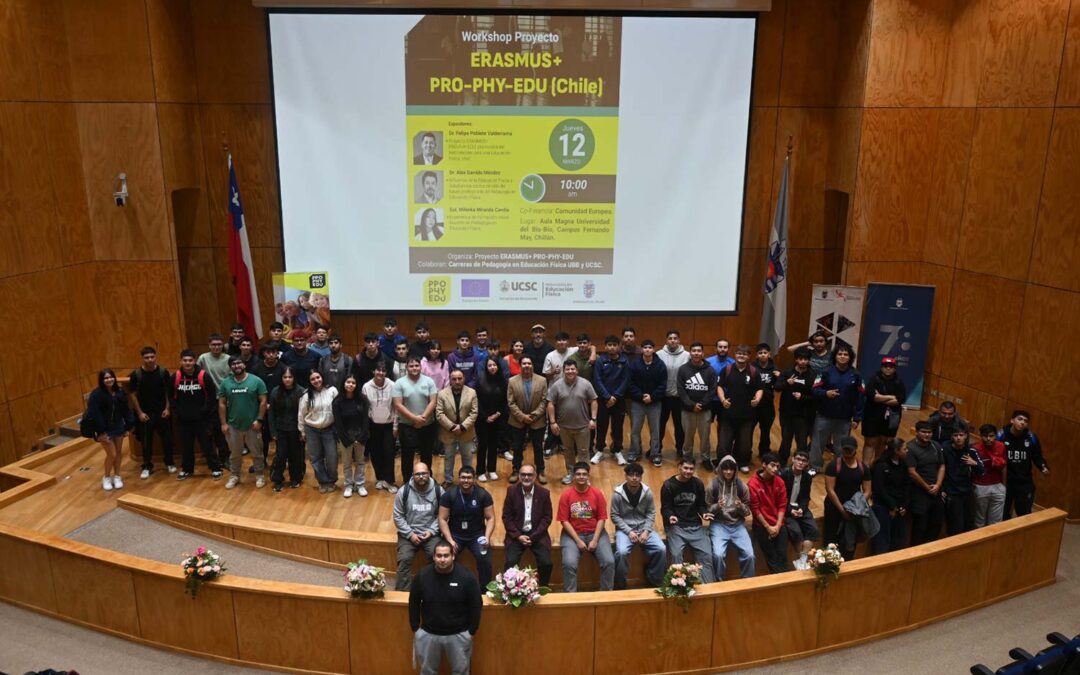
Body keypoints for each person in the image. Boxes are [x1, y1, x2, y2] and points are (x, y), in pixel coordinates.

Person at [408, 541, 482, 675]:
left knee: (461, 672)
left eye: (446, 555)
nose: (442, 559)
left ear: (453, 556)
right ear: (434, 557)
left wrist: (471, 630)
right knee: (428, 672)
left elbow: (476, 604)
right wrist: (415, 628)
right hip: (428, 634)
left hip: (458, 635)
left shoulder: (466, 577)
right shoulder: (422, 576)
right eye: (439, 556)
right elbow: (413, 601)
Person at [558, 462, 615, 592]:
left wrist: (595, 540)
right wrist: (578, 540)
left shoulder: (597, 493)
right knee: (569, 564)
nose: (581, 477)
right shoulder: (566, 495)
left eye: (584, 474)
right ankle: (570, 597)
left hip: (595, 532)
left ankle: (606, 595)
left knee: (609, 562)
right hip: (572, 535)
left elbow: (602, 518)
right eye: (578, 474)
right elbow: (564, 521)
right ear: (573, 476)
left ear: (588, 476)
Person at [810, 345, 865, 473]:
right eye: (840, 354)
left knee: (841, 446)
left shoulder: (856, 375)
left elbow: (860, 397)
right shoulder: (825, 372)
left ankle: (838, 469)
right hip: (824, 415)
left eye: (846, 355)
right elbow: (814, 389)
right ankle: (814, 467)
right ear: (835, 356)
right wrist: (826, 393)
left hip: (845, 418)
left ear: (850, 357)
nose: (842, 357)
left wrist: (857, 418)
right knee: (818, 443)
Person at [611, 462, 666, 588]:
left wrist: (646, 531)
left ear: (641, 477)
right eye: (631, 475)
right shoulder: (617, 494)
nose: (634, 478)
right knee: (622, 552)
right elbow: (614, 515)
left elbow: (651, 513)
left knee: (661, 549)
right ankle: (620, 584)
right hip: (625, 530)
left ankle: (654, 577)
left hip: (644, 528)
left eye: (637, 475)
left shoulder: (647, 493)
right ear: (626, 476)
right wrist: (629, 531)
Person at [661, 458, 717, 582]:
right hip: (676, 527)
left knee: (706, 555)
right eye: (686, 468)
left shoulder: (698, 484)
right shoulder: (668, 485)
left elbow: (701, 505)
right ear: (679, 467)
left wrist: (704, 514)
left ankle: (708, 587)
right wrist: (670, 516)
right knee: (676, 556)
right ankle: (679, 588)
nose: (688, 471)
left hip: (695, 526)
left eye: (691, 469)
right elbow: (665, 507)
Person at [438, 466, 495, 587]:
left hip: (477, 535)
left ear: (474, 479)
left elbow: (490, 518)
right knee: (445, 557)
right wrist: (450, 541)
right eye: (463, 477)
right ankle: (445, 586)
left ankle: (485, 590)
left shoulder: (483, 494)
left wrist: (487, 537)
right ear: (459, 479)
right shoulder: (449, 495)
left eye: (469, 478)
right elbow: (442, 519)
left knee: (484, 559)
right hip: (455, 535)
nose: (466, 480)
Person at [171, 350, 222, 481]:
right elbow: (171, 397)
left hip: (202, 420)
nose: (187, 363)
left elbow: (211, 397)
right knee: (186, 446)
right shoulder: (175, 377)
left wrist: (204, 412)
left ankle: (215, 468)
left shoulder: (203, 376)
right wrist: (178, 412)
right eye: (185, 360)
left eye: (190, 360)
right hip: (184, 420)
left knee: (207, 445)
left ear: (194, 361)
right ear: (180, 361)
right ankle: (187, 469)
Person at [218, 356, 268, 489]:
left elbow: (263, 401)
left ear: (244, 365)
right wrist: (223, 423)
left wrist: (259, 420)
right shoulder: (225, 383)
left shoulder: (256, 381)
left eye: (239, 363)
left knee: (257, 453)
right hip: (233, 425)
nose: (236, 365)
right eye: (233, 364)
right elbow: (222, 404)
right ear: (230, 367)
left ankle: (259, 475)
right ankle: (235, 475)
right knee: (235, 454)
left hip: (253, 425)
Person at [501, 463, 553, 587]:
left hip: (537, 535)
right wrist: (518, 536)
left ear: (535, 476)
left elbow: (547, 518)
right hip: (517, 534)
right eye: (523, 474)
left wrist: (534, 536)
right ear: (519, 476)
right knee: (510, 562)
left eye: (529, 475)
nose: (526, 477)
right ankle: (510, 590)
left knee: (546, 563)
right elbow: (506, 517)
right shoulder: (512, 491)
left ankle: (543, 588)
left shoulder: (544, 493)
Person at [393, 462, 443, 590]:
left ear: (429, 474)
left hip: (431, 534)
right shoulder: (403, 491)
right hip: (408, 535)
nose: (421, 476)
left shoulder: (438, 491)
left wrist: (431, 531)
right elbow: (398, 516)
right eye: (418, 474)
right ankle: (403, 594)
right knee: (404, 559)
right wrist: (410, 535)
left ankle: (436, 589)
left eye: (424, 473)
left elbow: (443, 515)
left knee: (438, 558)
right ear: (412, 476)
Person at [547, 360, 597, 485]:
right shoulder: (557, 385)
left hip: (583, 426)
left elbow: (594, 401)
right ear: (564, 371)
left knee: (583, 452)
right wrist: (553, 422)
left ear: (577, 370)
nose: (570, 371)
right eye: (567, 369)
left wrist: (594, 419)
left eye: (572, 369)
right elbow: (550, 403)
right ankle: (571, 473)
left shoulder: (586, 384)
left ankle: (584, 475)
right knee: (568, 451)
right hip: (564, 427)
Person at [128, 346, 175, 478]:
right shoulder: (136, 375)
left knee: (167, 439)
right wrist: (139, 413)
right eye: (146, 357)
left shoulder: (163, 372)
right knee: (146, 442)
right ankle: (147, 466)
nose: (149, 360)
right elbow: (132, 394)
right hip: (145, 414)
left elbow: (168, 392)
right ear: (142, 358)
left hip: (161, 412)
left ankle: (169, 463)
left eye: (152, 357)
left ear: (156, 357)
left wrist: (167, 408)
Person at [823, 436, 871, 561]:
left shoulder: (863, 468)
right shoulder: (833, 466)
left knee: (850, 539)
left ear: (856, 449)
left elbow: (867, 491)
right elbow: (830, 490)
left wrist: (855, 506)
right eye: (845, 450)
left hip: (854, 510)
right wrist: (842, 510)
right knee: (831, 538)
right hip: (834, 508)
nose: (847, 453)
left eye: (850, 450)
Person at [706, 455, 755, 579]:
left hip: (738, 525)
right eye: (725, 469)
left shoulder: (741, 486)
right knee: (718, 555)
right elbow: (706, 511)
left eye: (731, 469)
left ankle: (747, 581)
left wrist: (740, 507)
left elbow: (748, 511)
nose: (728, 472)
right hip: (718, 524)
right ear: (721, 469)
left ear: (735, 470)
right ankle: (719, 581)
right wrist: (717, 506)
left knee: (750, 555)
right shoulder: (713, 486)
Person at [716, 345, 763, 473]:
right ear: (735, 355)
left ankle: (742, 462)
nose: (741, 356)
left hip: (747, 414)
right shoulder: (727, 369)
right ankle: (722, 464)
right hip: (728, 413)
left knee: (745, 442)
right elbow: (719, 386)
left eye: (745, 354)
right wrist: (723, 400)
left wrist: (757, 399)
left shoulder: (754, 372)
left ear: (749, 357)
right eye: (739, 354)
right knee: (724, 441)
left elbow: (759, 388)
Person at [393, 356, 439, 484]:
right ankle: (407, 481)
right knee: (407, 456)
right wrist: (415, 419)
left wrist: (422, 418)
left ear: (420, 366)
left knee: (427, 455)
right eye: (411, 366)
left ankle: (427, 480)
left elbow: (433, 401)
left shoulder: (429, 381)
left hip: (427, 424)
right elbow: (398, 404)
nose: (414, 368)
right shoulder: (399, 383)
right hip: (407, 426)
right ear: (407, 368)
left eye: (416, 365)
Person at [86, 368, 132, 491]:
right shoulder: (96, 395)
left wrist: (128, 425)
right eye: (106, 378)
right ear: (102, 380)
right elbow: (94, 414)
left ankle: (117, 476)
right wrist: (101, 432)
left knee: (118, 453)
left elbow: (125, 410)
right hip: (104, 429)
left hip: (118, 426)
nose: (109, 379)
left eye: (111, 377)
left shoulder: (119, 392)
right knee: (111, 454)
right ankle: (106, 477)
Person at [998, 410, 1049, 519]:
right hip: (1005, 481)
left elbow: (1037, 457)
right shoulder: (1001, 436)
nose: (1022, 423)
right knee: (1003, 513)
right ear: (1012, 420)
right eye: (1019, 419)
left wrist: (1043, 467)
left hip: (1024, 481)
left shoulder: (1031, 438)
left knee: (1024, 513)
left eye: (1025, 421)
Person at [507, 356, 548, 484]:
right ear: (520, 365)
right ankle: (516, 470)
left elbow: (544, 400)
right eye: (524, 363)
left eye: (529, 363)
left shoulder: (542, 380)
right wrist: (523, 417)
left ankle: (540, 471)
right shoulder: (512, 381)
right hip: (517, 420)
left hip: (537, 420)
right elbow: (511, 402)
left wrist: (534, 415)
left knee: (538, 447)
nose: (526, 365)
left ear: (532, 365)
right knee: (517, 447)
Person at [748, 453, 791, 574]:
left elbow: (782, 505)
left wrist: (777, 526)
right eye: (772, 466)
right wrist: (768, 527)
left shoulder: (780, 482)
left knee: (782, 556)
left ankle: (786, 584)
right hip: (762, 526)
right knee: (772, 558)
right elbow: (755, 509)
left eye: (777, 466)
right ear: (764, 465)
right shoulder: (753, 484)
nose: (776, 469)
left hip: (778, 524)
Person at [677, 342, 717, 467]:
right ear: (690, 353)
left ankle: (705, 458)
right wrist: (691, 405)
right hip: (687, 410)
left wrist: (701, 404)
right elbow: (681, 389)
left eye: (699, 351)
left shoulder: (710, 370)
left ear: (703, 353)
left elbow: (712, 389)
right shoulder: (683, 369)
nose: (696, 353)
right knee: (688, 436)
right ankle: (687, 457)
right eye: (693, 350)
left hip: (704, 410)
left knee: (705, 436)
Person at [862, 356, 907, 465]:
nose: (888, 369)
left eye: (890, 367)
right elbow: (872, 396)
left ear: (894, 368)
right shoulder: (874, 379)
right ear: (881, 367)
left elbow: (899, 400)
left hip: (891, 418)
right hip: (872, 415)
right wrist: (891, 397)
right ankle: (865, 467)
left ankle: (876, 466)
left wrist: (881, 397)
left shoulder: (899, 382)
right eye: (885, 366)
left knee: (884, 442)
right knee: (870, 441)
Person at [627, 339, 666, 465]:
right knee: (635, 429)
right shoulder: (634, 364)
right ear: (642, 349)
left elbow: (662, 384)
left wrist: (652, 397)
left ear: (653, 349)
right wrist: (640, 396)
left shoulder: (660, 365)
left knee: (655, 430)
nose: (647, 349)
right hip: (638, 402)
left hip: (654, 403)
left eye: (650, 347)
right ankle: (634, 452)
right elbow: (630, 383)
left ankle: (655, 454)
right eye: (645, 347)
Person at [436, 370, 479, 486]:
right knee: (448, 457)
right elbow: (439, 414)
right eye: (454, 379)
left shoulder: (472, 393)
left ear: (464, 379)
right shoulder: (442, 394)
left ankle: (469, 480)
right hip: (448, 432)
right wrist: (452, 427)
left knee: (467, 457)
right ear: (450, 380)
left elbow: (474, 413)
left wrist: (463, 426)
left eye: (459, 378)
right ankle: (448, 480)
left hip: (466, 432)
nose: (457, 381)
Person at [775, 347, 816, 466]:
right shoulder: (788, 372)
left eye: (805, 359)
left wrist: (802, 397)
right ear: (796, 359)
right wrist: (786, 383)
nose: (803, 361)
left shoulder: (813, 376)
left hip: (804, 415)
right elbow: (777, 387)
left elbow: (816, 396)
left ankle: (801, 464)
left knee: (802, 442)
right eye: (800, 359)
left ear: (809, 361)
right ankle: (781, 463)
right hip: (787, 413)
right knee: (786, 440)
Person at [299, 370, 338, 493]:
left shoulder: (332, 391)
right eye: (313, 379)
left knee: (332, 456)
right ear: (309, 382)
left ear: (322, 377)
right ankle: (323, 481)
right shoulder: (306, 395)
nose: (316, 381)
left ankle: (332, 480)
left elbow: (338, 409)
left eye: (318, 377)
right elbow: (301, 414)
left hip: (329, 428)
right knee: (316, 457)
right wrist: (302, 431)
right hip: (312, 430)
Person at [592, 335, 629, 465]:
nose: (612, 347)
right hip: (603, 400)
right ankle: (600, 450)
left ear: (619, 346)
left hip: (619, 400)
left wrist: (616, 396)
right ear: (605, 346)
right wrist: (607, 397)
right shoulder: (600, 361)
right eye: (609, 345)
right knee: (602, 426)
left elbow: (626, 380)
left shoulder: (624, 361)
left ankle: (617, 450)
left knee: (618, 426)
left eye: (614, 345)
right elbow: (597, 380)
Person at [906, 421, 945, 545]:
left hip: (936, 490)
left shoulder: (936, 446)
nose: (927, 435)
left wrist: (938, 485)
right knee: (919, 526)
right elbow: (912, 472)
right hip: (919, 492)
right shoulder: (910, 448)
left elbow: (942, 466)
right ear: (917, 432)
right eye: (924, 432)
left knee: (936, 524)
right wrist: (927, 487)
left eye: (929, 432)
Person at [869, 439, 911, 554]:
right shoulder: (881, 466)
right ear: (896, 451)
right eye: (904, 449)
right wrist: (892, 506)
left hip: (899, 507)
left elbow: (907, 486)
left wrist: (903, 505)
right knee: (882, 542)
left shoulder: (903, 464)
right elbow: (879, 489)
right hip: (883, 507)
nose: (907, 451)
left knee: (899, 540)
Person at [362, 363, 399, 493]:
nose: (381, 373)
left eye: (383, 370)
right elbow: (364, 408)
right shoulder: (366, 387)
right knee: (376, 453)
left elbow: (396, 407)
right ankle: (380, 478)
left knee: (389, 452)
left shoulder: (393, 385)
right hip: (373, 425)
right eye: (378, 370)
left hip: (388, 425)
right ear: (373, 371)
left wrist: (395, 426)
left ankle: (389, 481)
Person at [267, 367, 305, 491]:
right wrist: (273, 431)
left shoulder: (301, 392)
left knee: (296, 456)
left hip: (296, 430)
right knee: (281, 455)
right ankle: (278, 479)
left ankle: (295, 478)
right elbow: (271, 413)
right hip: (280, 430)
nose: (287, 379)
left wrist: (302, 431)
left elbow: (304, 413)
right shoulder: (275, 391)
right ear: (281, 378)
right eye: (285, 377)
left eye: (290, 377)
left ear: (294, 378)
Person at [942, 426, 984, 535]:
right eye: (955, 435)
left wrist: (973, 463)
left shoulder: (971, 450)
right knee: (956, 526)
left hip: (968, 492)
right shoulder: (945, 449)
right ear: (951, 437)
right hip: (952, 493)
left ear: (966, 436)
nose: (958, 438)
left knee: (969, 523)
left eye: (961, 435)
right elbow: (940, 469)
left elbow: (982, 471)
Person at [334, 375, 370, 498]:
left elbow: (366, 420)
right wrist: (346, 439)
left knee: (360, 461)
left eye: (353, 383)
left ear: (356, 385)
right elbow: (338, 423)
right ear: (343, 384)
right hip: (345, 437)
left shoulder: (363, 400)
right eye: (348, 382)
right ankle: (348, 485)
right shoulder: (337, 401)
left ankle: (360, 484)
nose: (350, 385)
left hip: (360, 436)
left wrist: (361, 437)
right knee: (347, 462)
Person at [250, 345, 286, 466]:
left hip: (280, 407)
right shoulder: (256, 368)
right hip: (261, 407)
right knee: (262, 437)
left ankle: (281, 460)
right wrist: (264, 404)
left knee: (280, 435)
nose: (271, 354)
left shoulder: (283, 368)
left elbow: (286, 387)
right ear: (264, 353)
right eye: (268, 352)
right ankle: (261, 460)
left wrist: (274, 404)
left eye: (273, 352)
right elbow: (252, 388)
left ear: (277, 353)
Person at [198, 333, 231, 460]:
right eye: (213, 345)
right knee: (208, 429)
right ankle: (210, 456)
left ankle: (224, 457)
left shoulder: (228, 358)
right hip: (208, 399)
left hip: (224, 399)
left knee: (222, 429)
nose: (216, 347)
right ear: (209, 345)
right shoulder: (203, 358)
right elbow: (197, 374)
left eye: (219, 345)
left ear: (223, 345)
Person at [474, 356, 507, 482]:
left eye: (494, 365)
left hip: (497, 418)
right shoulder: (480, 381)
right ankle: (480, 471)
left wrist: (497, 414)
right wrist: (485, 417)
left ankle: (492, 469)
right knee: (482, 445)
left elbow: (505, 401)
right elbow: (476, 400)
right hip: (482, 419)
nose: (492, 367)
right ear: (486, 367)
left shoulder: (503, 381)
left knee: (493, 445)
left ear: (498, 367)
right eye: (490, 365)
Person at [780, 449, 820, 553]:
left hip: (800, 507)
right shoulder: (783, 474)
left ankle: (802, 559)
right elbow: (780, 498)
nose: (801, 462)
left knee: (813, 530)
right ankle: (801, 559)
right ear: (793, 459)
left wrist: (802, 508)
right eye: (798, 459)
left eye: (804, 460)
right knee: (796, 532)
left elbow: (806, 497)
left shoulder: (807, 477)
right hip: (786, 508)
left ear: (807, 463)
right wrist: (790, 510)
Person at [658, 330, 689, 460]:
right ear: (666, 340)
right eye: (670, 338)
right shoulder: (658, 354)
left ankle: (680, 449)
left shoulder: (687, 355)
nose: (672, 340)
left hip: (679, 398)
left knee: (679, 426)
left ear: (679, 340)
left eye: (675, 338)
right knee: (659, 424)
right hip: (663, 397)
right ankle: (656, 448)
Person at [972, 423, 1007, 527]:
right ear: (980, 435)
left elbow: (1004, 466)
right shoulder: (974, 448)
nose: (988, 439)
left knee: (996, 522)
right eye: (985, 436)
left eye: (991, 436)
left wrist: (1003, 485)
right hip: (980, 486)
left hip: (998, 486)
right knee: (979, 521)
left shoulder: (1001, 446)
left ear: (995, 435)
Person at [752, 343, 780, 458]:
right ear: (757, 355)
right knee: (748, 430)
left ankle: (764, 452)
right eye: (760, 353)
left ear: (769, 354)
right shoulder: (752, 367)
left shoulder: (774, 368)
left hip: (767, 404)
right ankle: (745, 452)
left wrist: (779, 378)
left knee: (766, 430)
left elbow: (778, 388)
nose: (763, 355)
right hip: (753, 404)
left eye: (765, 353)